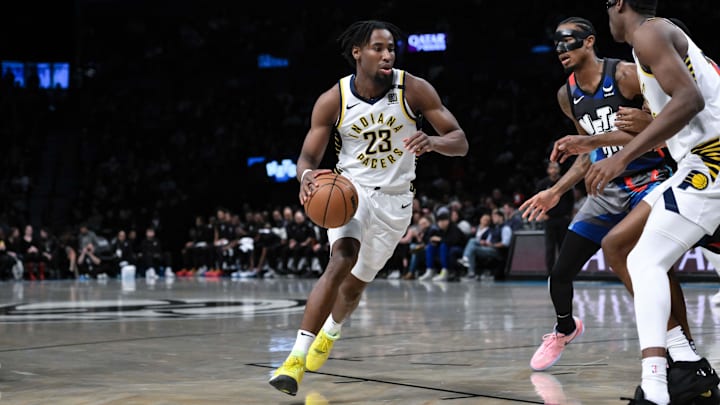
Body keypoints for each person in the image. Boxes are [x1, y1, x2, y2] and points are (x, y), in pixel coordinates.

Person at [268, 19, 468, 396]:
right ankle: (294, 360)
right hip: (350, 192)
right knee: (341, 259)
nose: (387, 54)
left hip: (395, 201)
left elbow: (460, 141)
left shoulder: (414, 89)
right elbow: (307, 156)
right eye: (378, 47)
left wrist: (434, 143)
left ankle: (331, 331)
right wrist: (306, 176)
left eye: (391, 48)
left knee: (354, 290)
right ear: (357, 52)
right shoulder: (334, 99)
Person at [519, 16, 703, 385]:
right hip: (607, 186)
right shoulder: (566, 95)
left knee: (655, 268)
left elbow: (669, 120)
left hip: (650, 179)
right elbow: (588, 153)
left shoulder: (625, 75)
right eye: (555, 44)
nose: (560, 50)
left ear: (589, 42)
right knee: (560, 273)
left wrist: (645, 119)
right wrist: (556, 191)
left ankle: (683, 349)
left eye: (567, 41)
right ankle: (565, 327)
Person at [582, 3, 720, 403]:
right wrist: (592, 142)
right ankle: (685, 360)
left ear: (618, 3)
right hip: (694, 161)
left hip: (710, 161)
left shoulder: (649, 33)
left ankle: (658, 386)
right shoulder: (663, 42)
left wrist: (621, 158)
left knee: (645, 260)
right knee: (618, 246)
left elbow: (688, 101)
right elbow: (674, 119)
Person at [534, 161, 574, 274]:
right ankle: (550, 273)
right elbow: (537, 199)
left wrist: (568, 215)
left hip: (562, 219)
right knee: (550, 247)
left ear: (559, 170)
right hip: (549, 219)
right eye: (551, 168)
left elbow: (571, 200)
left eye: (555, 168)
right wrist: (542, 214)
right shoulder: (543, 184)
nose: (554, 170)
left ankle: (563, 271)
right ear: (548, 170)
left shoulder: (564, 183)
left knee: (563, 247)